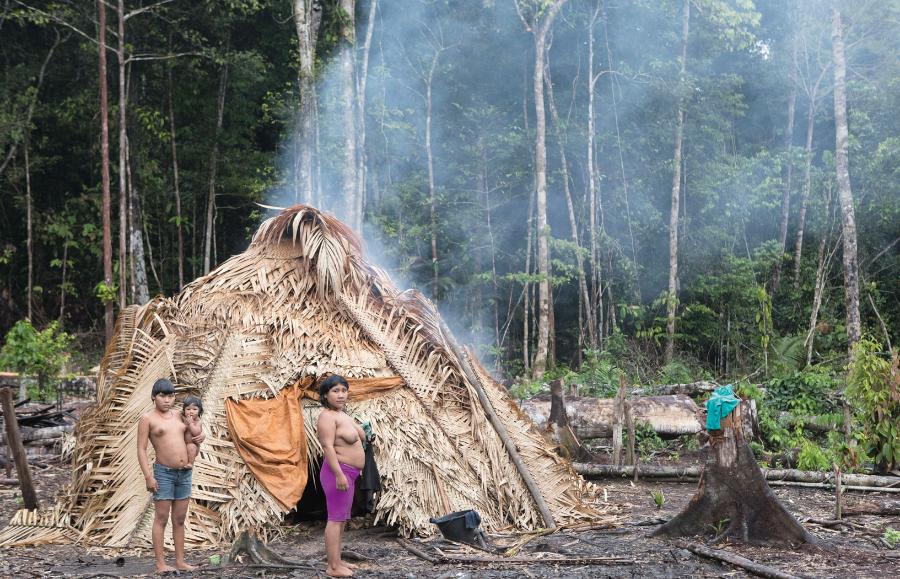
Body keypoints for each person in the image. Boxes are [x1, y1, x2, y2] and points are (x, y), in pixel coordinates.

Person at [137, 378, 205, 574]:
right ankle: (160, 564)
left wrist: (203, 436)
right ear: (154, 397)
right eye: (162, 396)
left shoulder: (180, 415)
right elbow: (141, 449)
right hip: (164, 474)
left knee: (180, 519)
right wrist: (148, 477)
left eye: (170, 396)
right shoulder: (147, 419)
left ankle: (180, 561)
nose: (167, 400)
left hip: (184, 473)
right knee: (161, 518)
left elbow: (194, 431)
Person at [316, 375, 366, 578]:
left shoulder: (343, 415)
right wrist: (338, 474)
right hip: (338, 472)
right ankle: (332, 567)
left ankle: (337, 560)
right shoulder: (327, 417)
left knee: (342, 520)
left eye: (343, 390)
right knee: (335, 520)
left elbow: (361, 436)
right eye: (335, 391)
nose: (341, 395)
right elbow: (327, 446)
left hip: (350, 473)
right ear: (325, 395)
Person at [181, 396, 204, 469]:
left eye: (194, 409)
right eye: (188, 409)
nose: (191, 411)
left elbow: (196, 433)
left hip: (193, 446)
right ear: (184, 410)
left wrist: (191, 424)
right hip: (184, 446)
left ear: (199, 411)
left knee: (191, 446)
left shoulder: (198, 421)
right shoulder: (183, 419)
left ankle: (190, 463)